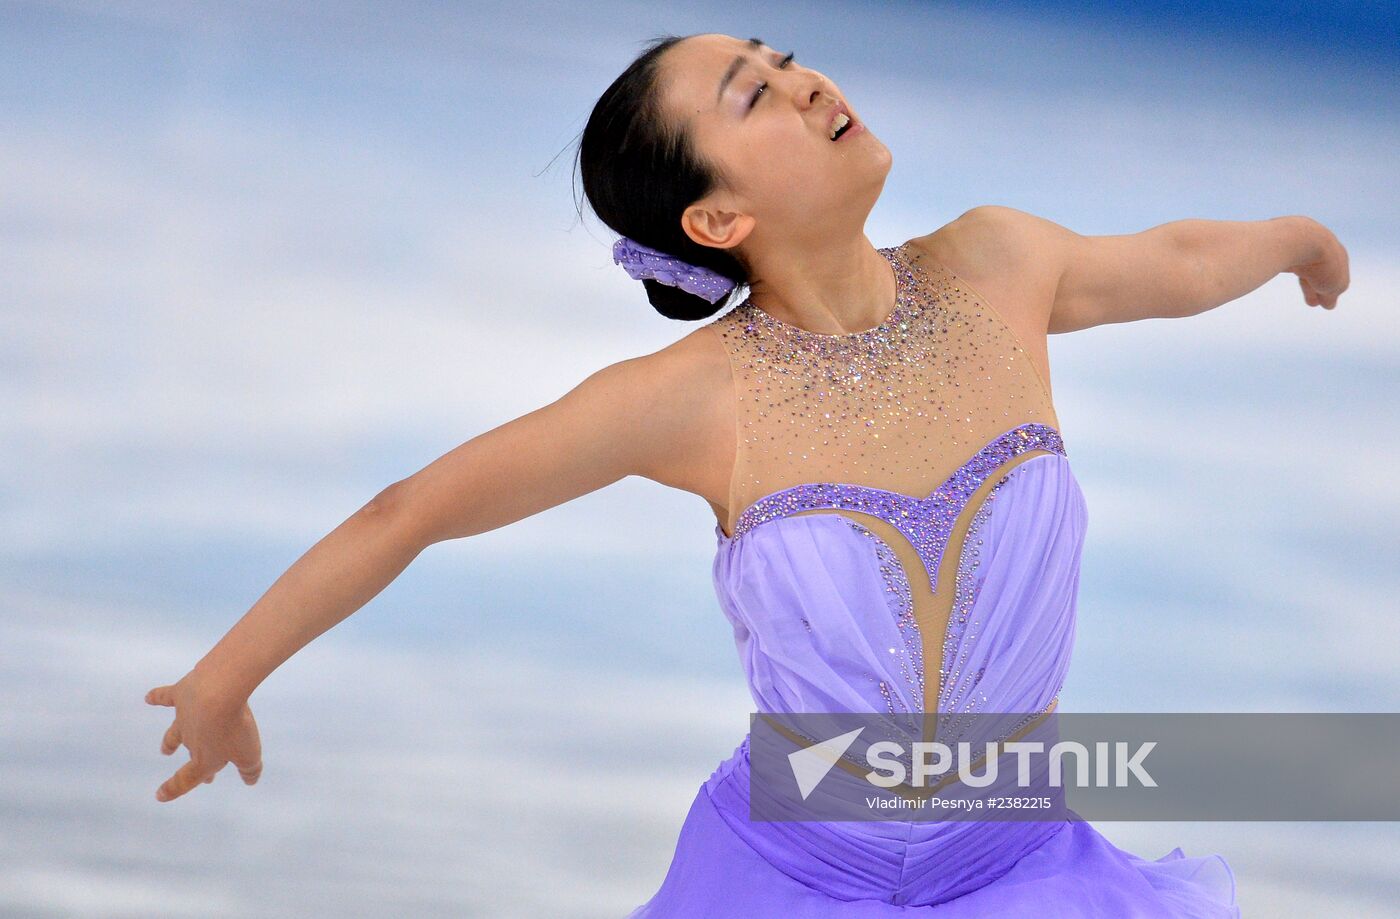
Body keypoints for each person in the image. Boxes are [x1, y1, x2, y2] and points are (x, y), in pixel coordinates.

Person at [144, 31, 1348, 917]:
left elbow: (1175, 258)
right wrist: (223, 678)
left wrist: (1287, 240)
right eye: (752, 96)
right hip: (785, 881)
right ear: (715, 220)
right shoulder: (691, 400)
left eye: (784, 60)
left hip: (1020, 872)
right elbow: (410, 511)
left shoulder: (998, 265)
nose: (805, 82)